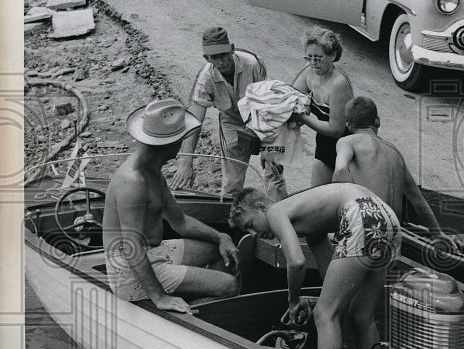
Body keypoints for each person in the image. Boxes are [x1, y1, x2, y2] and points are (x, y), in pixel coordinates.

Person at [228, 183, 401, 349]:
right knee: (362, 316)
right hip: (387, 218)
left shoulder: (275, 212)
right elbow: (330, 280)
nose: (253, 234)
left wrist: (293, 300)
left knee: (324, 315)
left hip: (361, 214)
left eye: (250, 224)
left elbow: (296, 262)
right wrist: (317, 299)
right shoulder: (310, 223)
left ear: (261, 207)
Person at [103, 99, 240, 313]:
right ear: (169, 144)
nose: (182, 144)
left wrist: (220, 236)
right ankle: (189, 320)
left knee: (221, 251)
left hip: (156, 251)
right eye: (181, 139)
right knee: (230, 285)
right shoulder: (133, 182)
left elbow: (180, 221)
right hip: (128, 271)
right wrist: (159, 297)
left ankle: (195, 299)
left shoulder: (152, 171)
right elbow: (131, 248)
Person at [169, 26, 286, 202]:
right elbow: (194, 123)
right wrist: (186, 162)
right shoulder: (205, 78)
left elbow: (269, 105)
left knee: (274, 169)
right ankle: (233, 220)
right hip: (232, 120)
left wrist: (267, 147)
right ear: (207, 58)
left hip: (262, 115)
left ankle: (280, 214)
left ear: (231, 49)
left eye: (224, 55)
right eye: (215, 58)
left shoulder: (252, 64)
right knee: (232, 182)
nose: (221, 61)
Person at [334, 96, 457, 249]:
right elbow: (417, 199)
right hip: (393, 234)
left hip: (367, 227)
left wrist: (347, 217)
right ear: (377, 121)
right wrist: (437, 234)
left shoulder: (347, 142)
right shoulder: (395, 152)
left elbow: (340, 169)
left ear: (349, 125)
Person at [291, 28, 354, 187]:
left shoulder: (339, 84)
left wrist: (303, 118)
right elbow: (292, 97)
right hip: (324, 142)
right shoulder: (310, 71)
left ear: (332, 56)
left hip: (346, 147)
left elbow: (336, 129)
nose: (312, 63)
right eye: (309, 57)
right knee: (315, 194)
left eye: (318, 58)